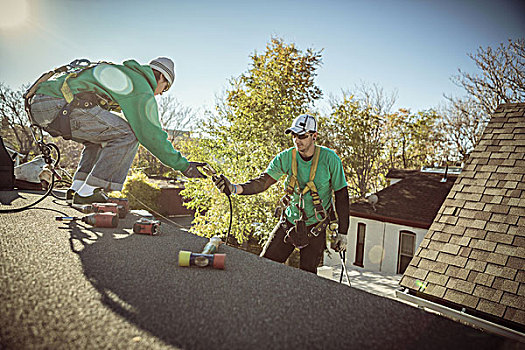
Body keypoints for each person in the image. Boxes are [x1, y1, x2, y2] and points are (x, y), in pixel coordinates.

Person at [26, 57, 206, 205]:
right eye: (164, 89)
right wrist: (183, 166)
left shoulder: (127, 75)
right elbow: (150, 134)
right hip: (58, 104)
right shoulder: (141, 87)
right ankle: (91, 191)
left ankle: (78, 188)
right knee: (129, 135)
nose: (159, 94)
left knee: (101, 136)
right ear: (161, 78)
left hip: (41, 105)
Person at [214, 114, 349, 273]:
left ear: (314, 136)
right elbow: (263, 182)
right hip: (289, 223)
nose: (296, 140)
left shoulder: (330, 159)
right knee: (264, 268)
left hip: (315, 228)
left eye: (302, 136)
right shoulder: (286, 157)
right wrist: (234, 188)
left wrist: (343, 232)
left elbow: (342, 196)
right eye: (294, 135)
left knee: (307, 279)